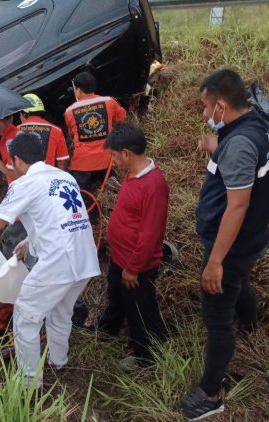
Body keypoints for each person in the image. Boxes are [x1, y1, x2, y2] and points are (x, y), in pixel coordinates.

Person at [0, 132, 100, 387]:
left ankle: (30, 385)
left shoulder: (25, 184)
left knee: (25, 317)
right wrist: (30, 241)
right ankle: (59, 361)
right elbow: (57, 217)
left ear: (17, 160)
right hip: (84, 260)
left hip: (57, 264)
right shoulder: (64, 177)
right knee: (61, 314)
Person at [179, 69, 269, 421]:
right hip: (252, 240)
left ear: (222, 105)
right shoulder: (259, 126)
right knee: (239, 284)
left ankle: (210, 395)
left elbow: (237, 205)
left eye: (207, 107)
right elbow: (242, 154)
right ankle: (252, 324)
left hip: (233, 245)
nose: (206, 115)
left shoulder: (238, 144)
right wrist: (215, 145)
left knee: (217, 315)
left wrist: (216, 261)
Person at [94, 122, 168, 366]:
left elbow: (150, 235)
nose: (113, 160)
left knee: (140, 308)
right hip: (121, 257)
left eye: (114, 155)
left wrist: (133, 268)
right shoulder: (132, 174)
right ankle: (109, 326)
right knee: (116, 291)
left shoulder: (153, 186)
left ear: (126, 153)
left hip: (137, 264)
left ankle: (146, 355)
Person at [65, 71, 127, 192]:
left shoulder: (69, 111)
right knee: (105, 174)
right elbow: (121, 118)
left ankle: (88, 193)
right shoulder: (109, 101)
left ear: (78, 91)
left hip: (82, 164)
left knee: (76, 191)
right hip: (107, 160)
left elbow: (71, 134)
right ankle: (109, 179)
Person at [18, 93, 70, 171]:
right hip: (48, 178)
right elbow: (62, 161)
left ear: (24, 114)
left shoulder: (15, 131)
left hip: (25, 180)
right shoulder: (56, 130)